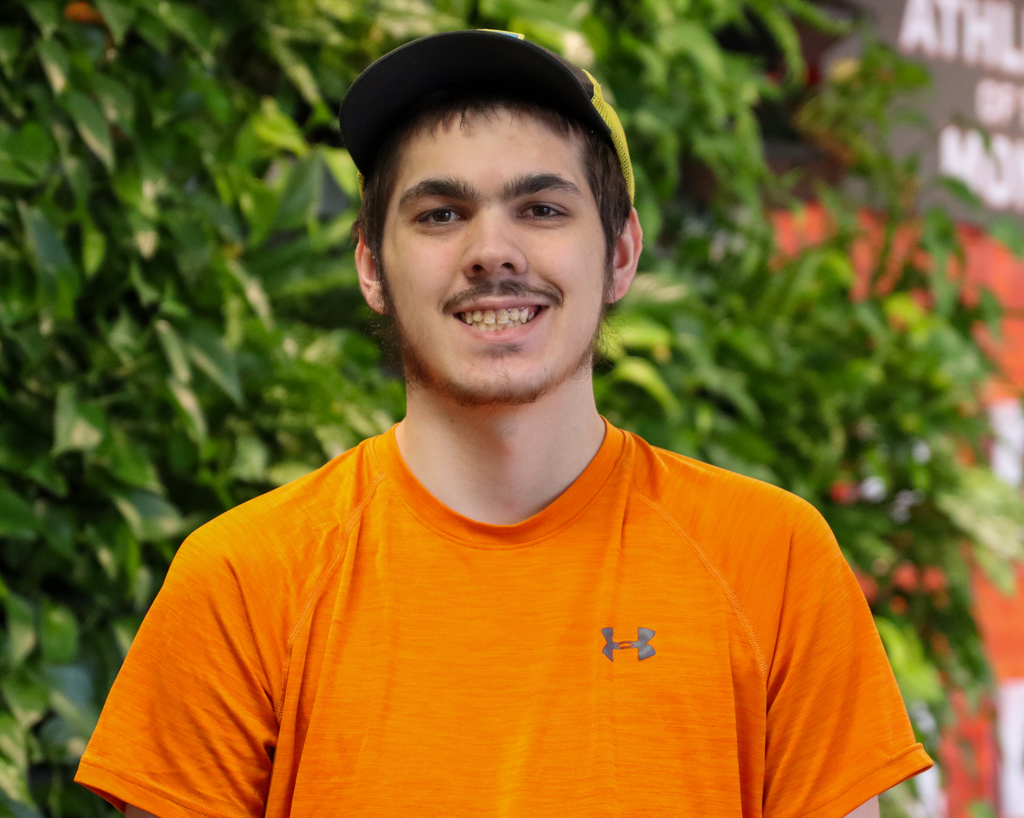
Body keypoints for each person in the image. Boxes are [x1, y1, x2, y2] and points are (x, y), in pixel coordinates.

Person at [75, 29, 932, 818]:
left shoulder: (771, 561)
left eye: (542, 209)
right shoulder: (243, 581)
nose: (492, 251)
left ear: (622, 254)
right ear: (372, 265)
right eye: (441, 214)